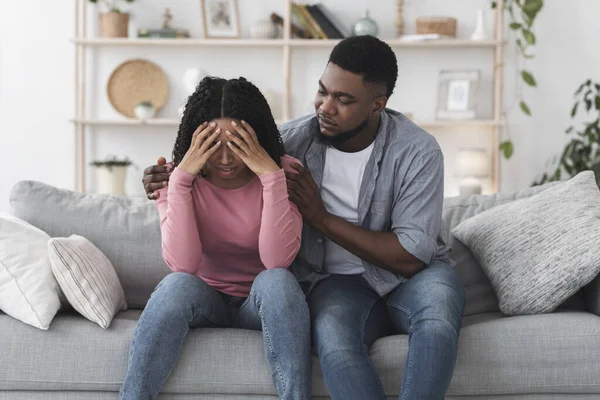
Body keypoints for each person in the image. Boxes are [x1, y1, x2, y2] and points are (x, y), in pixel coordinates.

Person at [142, 36, 466, 400]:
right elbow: (227, 160)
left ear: (378, 105)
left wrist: (321, 218)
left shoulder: (417, 151)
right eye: (323, 92)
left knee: (437, 322)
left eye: (344, 100)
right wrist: (168, 180)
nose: (326, 107)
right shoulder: (290, 143)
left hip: (418, 275)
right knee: (336, 343)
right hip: (337, 283)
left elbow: (411, 256)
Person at [122, 76, 311, 400]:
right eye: (213, 146)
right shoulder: (175, 178)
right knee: (175, 284)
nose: (225, 159)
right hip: (205, 300)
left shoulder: (284, 173)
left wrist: (270, 177)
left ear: (257, 138)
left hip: (260, 302)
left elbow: (276, 260)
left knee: (278, 280)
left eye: (237, 145)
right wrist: (181, 181)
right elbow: (183, 264)